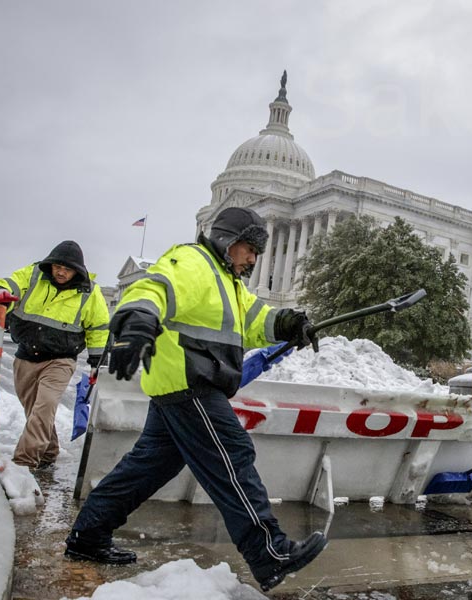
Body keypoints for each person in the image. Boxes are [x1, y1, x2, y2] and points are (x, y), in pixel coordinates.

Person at [64, 206, 327, 592]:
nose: (254, 258)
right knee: (232, 458)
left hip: (181, 389)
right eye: (250, 248)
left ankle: (88, 536)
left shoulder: (230, 284)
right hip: (191, 383)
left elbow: (255, 322)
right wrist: (137, 323)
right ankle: (269, 553)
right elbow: (152, 290)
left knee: (145, 469)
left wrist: (289, 323)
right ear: (227, 240)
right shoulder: (192, 261)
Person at [0, 241, 110, 469]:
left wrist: (96, 363)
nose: (61, 272)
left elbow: (99, 328)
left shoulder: (90, 292)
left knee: (45, 406)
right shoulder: (32, 275)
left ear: (77, 271)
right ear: (50, 265)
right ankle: (50, 450)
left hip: (60, 360)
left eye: (68, 269)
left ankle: (24, 462)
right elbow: (10, 283)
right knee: (35, 410)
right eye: (57, 267)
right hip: (25, 356)